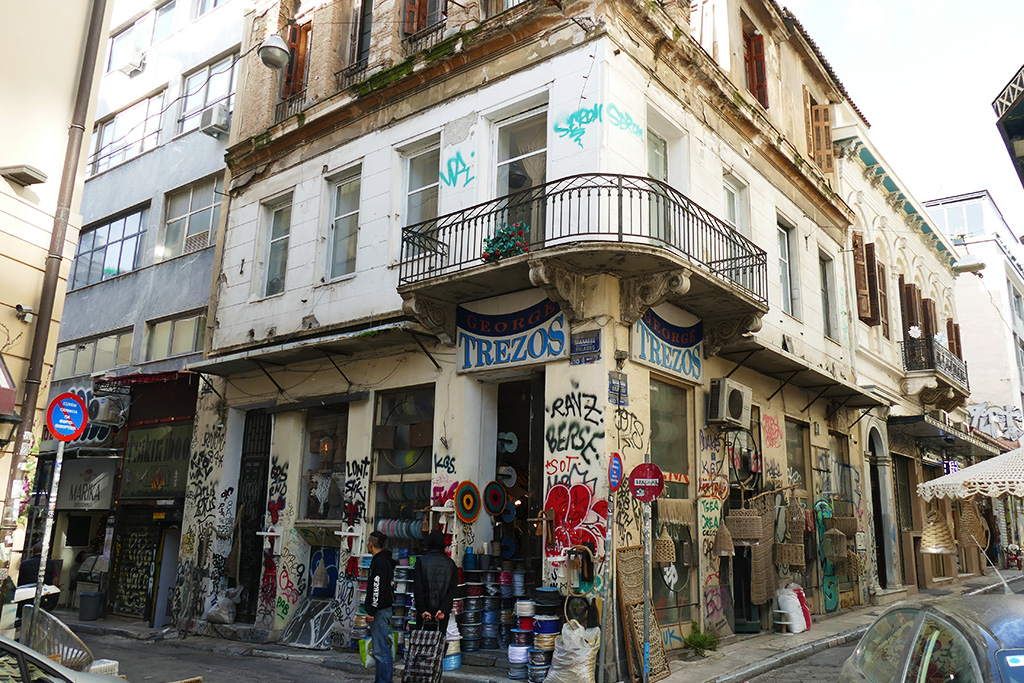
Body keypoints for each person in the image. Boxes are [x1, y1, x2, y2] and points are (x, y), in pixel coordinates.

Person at [413, 529, 458, 636]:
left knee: (422, 642)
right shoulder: (450, 564)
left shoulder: (422, 562)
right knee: (438, 644)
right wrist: (443, 609)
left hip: (424, 612)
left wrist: (422, 610)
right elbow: (452, 591)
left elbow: (417, 588)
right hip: (441, 613)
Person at [364, 531, 395, 683]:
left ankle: (384, 681)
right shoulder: (383, 561)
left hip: (380, 612)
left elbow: (377, 587)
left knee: (381, 650)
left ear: (371, 543)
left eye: (367, 542)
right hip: (383, 610)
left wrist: (371, 610)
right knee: (381, 650)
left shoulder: (380, 562)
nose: (367, 545)